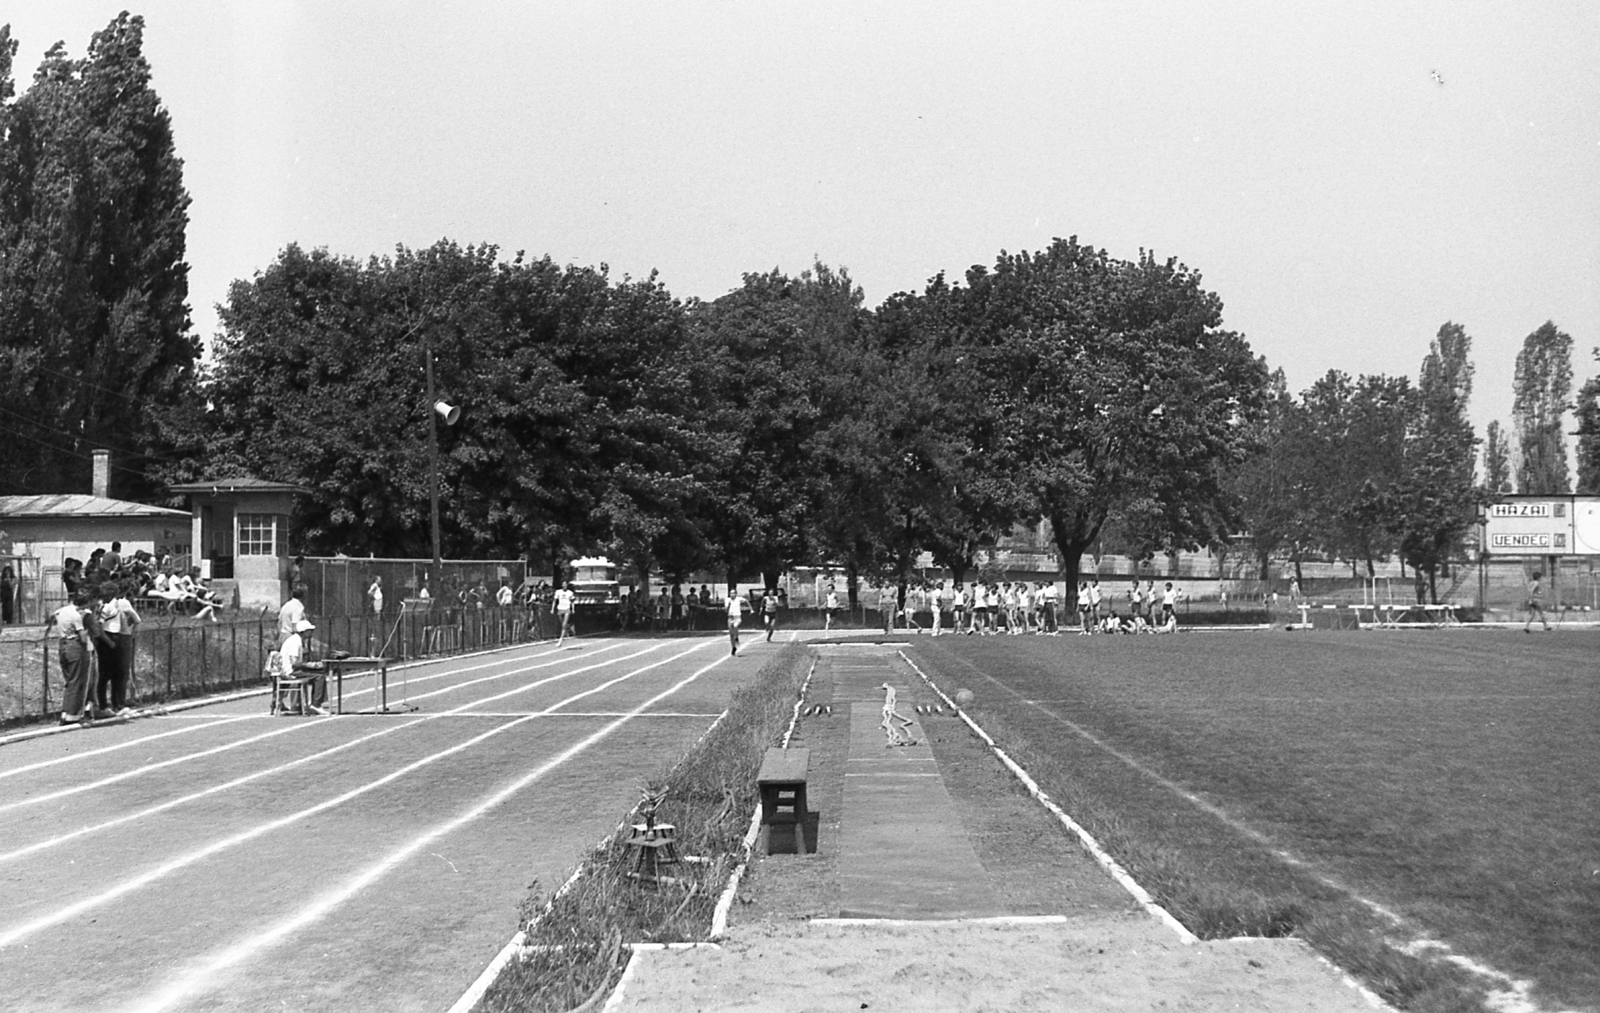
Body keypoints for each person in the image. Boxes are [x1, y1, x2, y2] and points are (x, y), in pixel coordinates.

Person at [97, 582, 140, 716]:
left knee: (116, 673)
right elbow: (99, 625)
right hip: (109, 638)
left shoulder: (115, 605)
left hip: (116, 637)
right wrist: (109, 641)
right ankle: (104, 705)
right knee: (105, 675)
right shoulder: (107, 607)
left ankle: (117, 704)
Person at [49, 593, 91, 725]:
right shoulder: (76, 616)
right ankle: (72, 714)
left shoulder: (61, 611)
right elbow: (83, 638)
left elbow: (52, 617)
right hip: (74, 645)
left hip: (63, 644)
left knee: (70, 680)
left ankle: (65, 711)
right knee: (76, 680)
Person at [277, 618, 329, 713]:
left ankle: (316, 702)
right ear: (304, 632)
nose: (311, 632)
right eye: (309, 630)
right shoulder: (295, 642)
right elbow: (294, 663)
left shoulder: (297, 640)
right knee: (320, 677)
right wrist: (310, 665)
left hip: (292, 669)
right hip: (290, 671)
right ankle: (316, 704)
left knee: (320, 673)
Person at [726, 587, 748, 655]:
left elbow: (746, 601)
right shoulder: (727, 600)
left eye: (733, 593)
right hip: (730, 617)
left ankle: (736, 637)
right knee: (731, 634)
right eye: (730, 593)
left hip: (737, 617)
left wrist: (750, 608)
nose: (732, 594)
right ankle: (733, 647)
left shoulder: (739, 599)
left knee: (735, 626)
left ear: (736, 594)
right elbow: (726, 610)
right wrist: (728, 606)